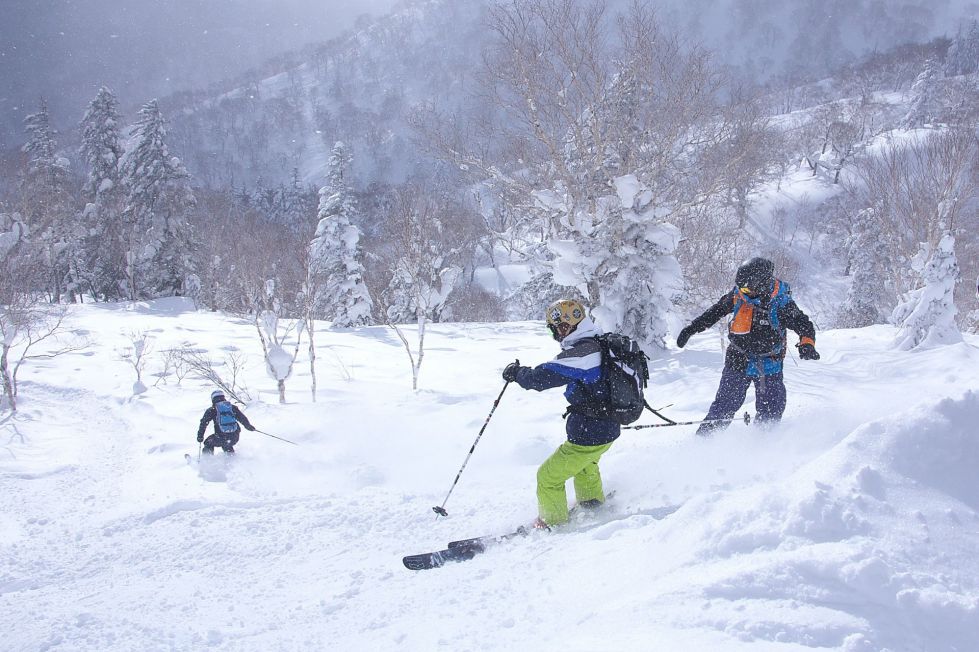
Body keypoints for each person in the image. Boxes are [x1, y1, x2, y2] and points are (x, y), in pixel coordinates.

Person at [502, 299, 620, 529]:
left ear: (565, 326)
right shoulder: (597, 344)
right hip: (605, 429)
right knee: (585, 465)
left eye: (553, 329)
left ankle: (552, 523)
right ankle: (591, 502)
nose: (555, 334)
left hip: (590, 433)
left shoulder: (584, 353)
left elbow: (542, 378)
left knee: (548, 477)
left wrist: (517, 373)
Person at [675, 257, 819, 435]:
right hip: (738, 359)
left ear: (762, 284)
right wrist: (692, 328)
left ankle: (762, 445)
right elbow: (715, 311)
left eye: (746, 288)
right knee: (724, 405)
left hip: (769, 364)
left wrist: (807, 344)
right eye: (740, 287)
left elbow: (804, 324)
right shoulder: (738, 295)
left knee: (771, 409)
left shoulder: (781, 303)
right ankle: (704, 441)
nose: (742, 291)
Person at [196, 390, 256, 455]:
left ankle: (207, 461)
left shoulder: (212, 410)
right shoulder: (231, 407)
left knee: (208, 442)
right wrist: (249, 426)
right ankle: (231, 459)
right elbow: (242, 418)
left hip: (221, 437)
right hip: (235, 437)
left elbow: (203, 423)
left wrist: (200, 436)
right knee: (227, 444)